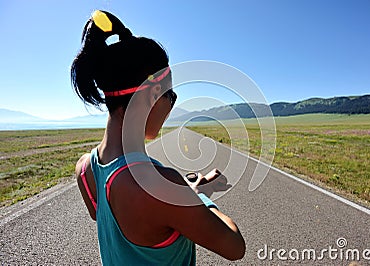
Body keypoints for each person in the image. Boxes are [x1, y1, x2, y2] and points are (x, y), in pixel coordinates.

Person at [71, 10, 245, 265]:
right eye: (171, 96)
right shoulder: (157, 186)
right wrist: (199, 199)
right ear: (152, 94)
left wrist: (186, 193)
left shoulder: (85, 169)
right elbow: (234, 246)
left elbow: (137, 215)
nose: (172, 105)